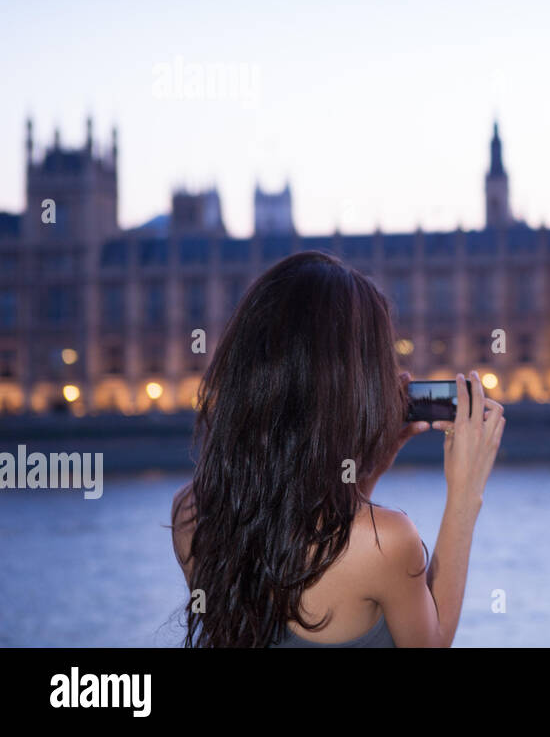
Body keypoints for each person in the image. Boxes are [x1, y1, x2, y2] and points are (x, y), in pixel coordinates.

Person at [169, 250, 505, 647]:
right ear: (354, 389)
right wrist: (465, 497)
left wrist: (366, 473)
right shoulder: (388, 542)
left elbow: (310, 532)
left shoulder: (192, 513)